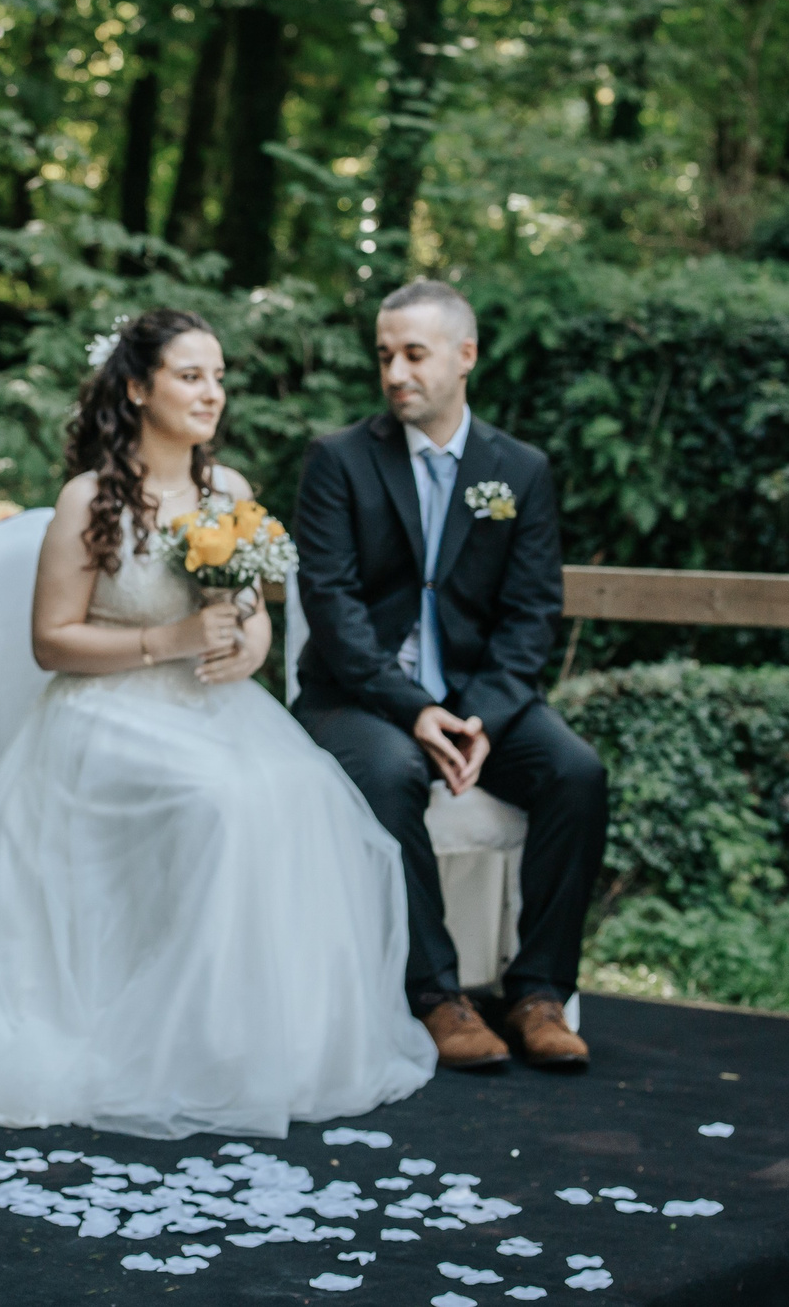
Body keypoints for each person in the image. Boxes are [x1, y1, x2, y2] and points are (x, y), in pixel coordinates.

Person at [0, 310, 435, 1137]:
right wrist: (169, 639)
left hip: (216, 706)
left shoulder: (227, 491)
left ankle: (250, 1040)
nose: (213, 393)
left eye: (219, 377)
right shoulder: (89, 500)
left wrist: (250, 644)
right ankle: (163, 1035)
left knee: (299, 788)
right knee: (219, 803)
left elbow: (250, 607)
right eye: (191, 376)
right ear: (137, 388)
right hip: (106, 718)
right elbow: (52, 641)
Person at [289, 278, 607, 1073]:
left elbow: (531, 614)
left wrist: (482, 720)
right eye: (385, 355)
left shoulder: (520, 470)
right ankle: (434, 995)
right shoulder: (337, 461)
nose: (396, 372)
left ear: (465, 356)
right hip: (355, 696)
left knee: (576, 772)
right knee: (395, 772)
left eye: (414, 354)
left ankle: (537, 992)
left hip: (481, 698)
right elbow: (332, 608)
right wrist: (415, 711)